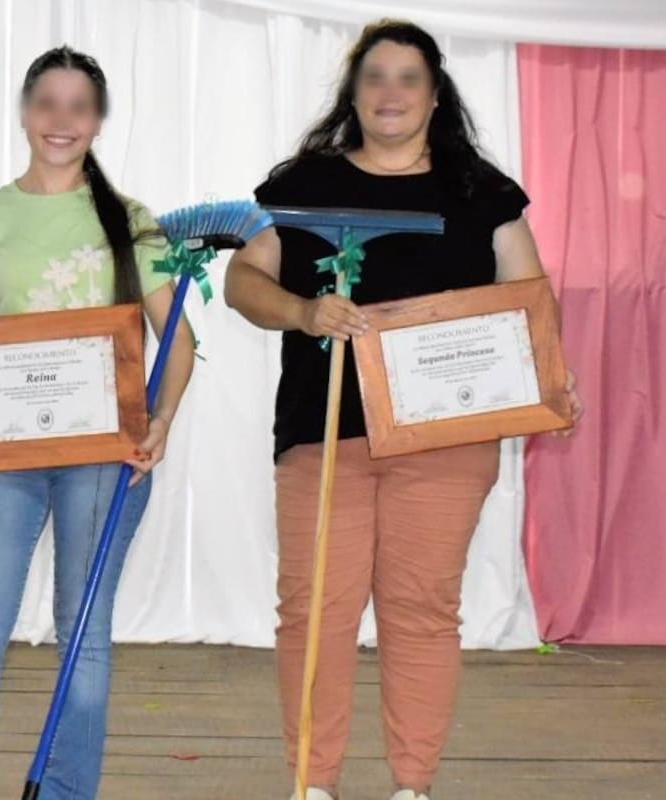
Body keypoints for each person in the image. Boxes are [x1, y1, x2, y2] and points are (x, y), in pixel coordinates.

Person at [223, 20, 583, 800]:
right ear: (354, 93)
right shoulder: (302, 185)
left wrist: (550, 378)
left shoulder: (481, 191)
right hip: (324, 434)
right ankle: (313, 785)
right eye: (376, 77)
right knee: (315, 611)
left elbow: (530, 300)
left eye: (408, 78)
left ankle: (412, 787)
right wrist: (303, 312)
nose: (391, 93)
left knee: (421, 610)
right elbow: (243, 283)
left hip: (445, 441)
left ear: (434, 93)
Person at [0, 46, 195, 800]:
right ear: (24, 113)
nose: (61, 121)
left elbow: (178, 340)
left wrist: (162, 418)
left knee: (84, 634)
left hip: (105, 457)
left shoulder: (132, 222)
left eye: (78, 107)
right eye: (47, 103)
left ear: (98, 121)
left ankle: (68, 791)